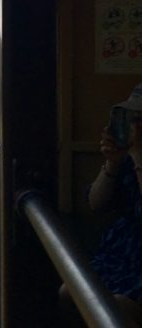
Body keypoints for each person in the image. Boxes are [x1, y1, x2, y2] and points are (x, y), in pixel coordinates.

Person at [61, 84, 142, 325]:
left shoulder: (137, 155)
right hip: (122, 255)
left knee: (117, 309)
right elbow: (96, 203)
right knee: (69, 292)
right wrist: (113, 163)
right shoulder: (128, 158)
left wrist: (138, 155)